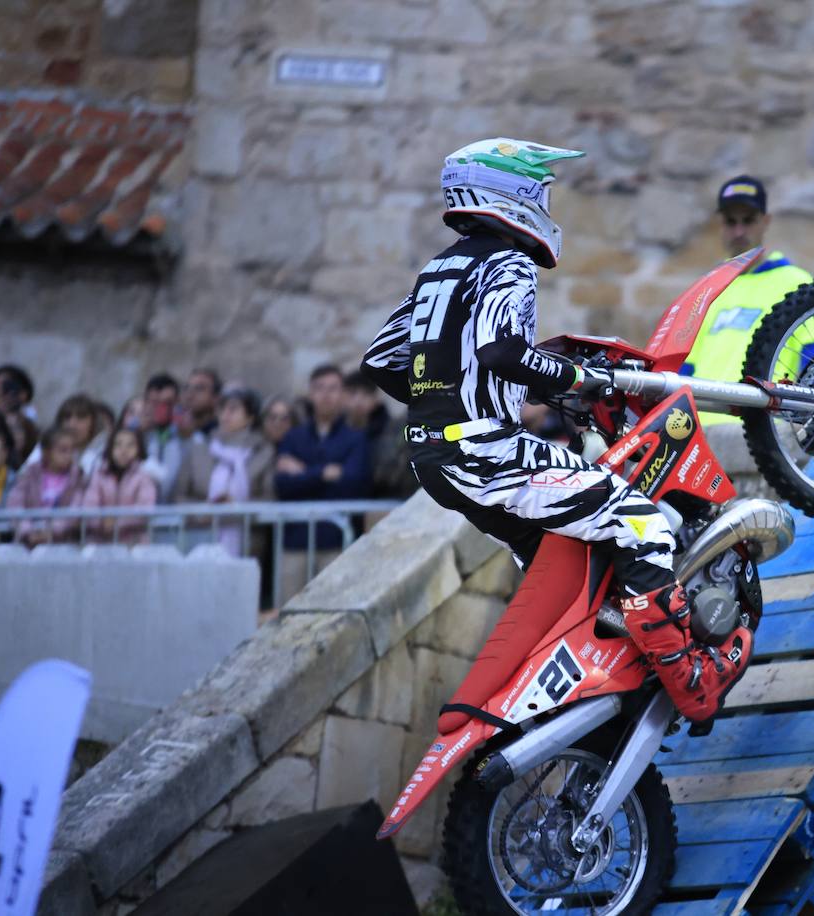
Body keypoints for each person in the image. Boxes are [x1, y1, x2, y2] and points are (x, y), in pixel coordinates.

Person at [360, 137, 751, 723]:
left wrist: (441, 406)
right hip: (484, 449)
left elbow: (382, 360)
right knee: (640, 522)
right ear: (511, 193)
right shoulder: (506, 262)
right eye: (540, 191)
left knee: (560, 555)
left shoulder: (440, 267)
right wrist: (579, 377)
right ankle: (690, 680)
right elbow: (503, 350)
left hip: (435, 458)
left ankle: (603, 649)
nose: (546, 202)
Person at [681, 175, 814, 426]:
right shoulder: (709, 287)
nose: (739, 231)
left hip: (761, 432)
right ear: (720, 225)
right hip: (700, 434)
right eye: (731, 222)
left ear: (766, 221)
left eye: (748, 220)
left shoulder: (795, 282)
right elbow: (686, 369)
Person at [274, 365, 370, 602]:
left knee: (335, 611)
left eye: (333, 388)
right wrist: (322, 473)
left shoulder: (355, 438)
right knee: (287, 614)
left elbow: (353, 485)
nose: (326, 395)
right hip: (295, 541)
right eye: (319, 388)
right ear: (310, 393)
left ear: (343, 394)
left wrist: (303, 472)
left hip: (336, 541)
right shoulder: (293, 437)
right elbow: (282, 486)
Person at [174, 387, 275, 555]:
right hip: (200, 536)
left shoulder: (263, 452)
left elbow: (269, 497)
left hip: (247, 541)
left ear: (250, 417)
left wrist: (236, 507)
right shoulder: (199, 448)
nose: (226, 414)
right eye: (222, 408)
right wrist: (203, 511)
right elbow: (179, 495)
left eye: (233, 408)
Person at [343, 371, 415, 501]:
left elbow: (388, 475)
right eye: (353, 393)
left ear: (375, 397)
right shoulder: (336, 431)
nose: (359, 400)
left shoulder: (391, 431)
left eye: (366, 394)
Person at [79, 426, 158, 544]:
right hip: (99, 542)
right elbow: (89, 506)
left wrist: (117, 522)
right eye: (118, 445)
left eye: (130, 445)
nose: (124, 450)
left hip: (134, 543)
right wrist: (102, 521)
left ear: (139, 449)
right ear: (110, 448)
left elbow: (144, 509)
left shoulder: (144, 477)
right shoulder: (98, 475)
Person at [7, 426, 85, 546]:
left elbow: (76, 510)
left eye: (72, 450)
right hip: (28, 543)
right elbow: (15, 503)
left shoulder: (78, 477)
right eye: (63, 450)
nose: (68, 455)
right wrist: (28, 531)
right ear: (46, 452)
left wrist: (50, 532)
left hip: (64, 544)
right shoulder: (29, 473)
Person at [21, 394, 105, 479]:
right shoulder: (45, 448)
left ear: (93, 423)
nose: (72, 424)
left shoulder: (100, 456)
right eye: (67, 417)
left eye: (80, 417)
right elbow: (23, 477)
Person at [141, 373, 186, 498]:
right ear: (146, 403)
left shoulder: (189, 439)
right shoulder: (133, 436)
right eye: (155, 402)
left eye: (168, 403)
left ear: (178, 402)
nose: (162, 408)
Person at [182, 368, 222, 439]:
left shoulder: (221, 439)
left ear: (216, 397)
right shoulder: (175, 433)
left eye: (199, 389)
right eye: (186, 388)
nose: (189, 395)